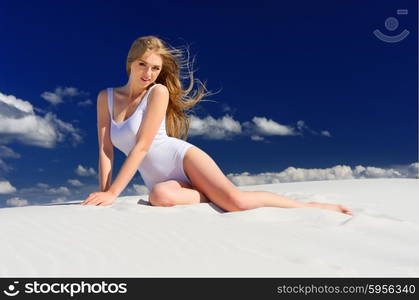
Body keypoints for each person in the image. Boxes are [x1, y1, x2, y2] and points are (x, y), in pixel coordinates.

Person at [81, 35, 353, 216]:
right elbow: (106, 149)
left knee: (236, 203)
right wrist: (104, 191)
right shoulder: (106, 97)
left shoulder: (158, 93)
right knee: (160, 196)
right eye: (142, 65)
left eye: (155, 68)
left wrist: (115, 193)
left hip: (183, 159)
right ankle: (210, 194)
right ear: (130, 63)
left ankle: (310, 206)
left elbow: (141, 146)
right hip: (160, 181)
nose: (148, 74)